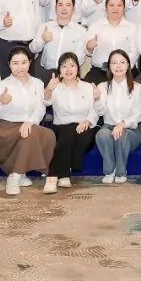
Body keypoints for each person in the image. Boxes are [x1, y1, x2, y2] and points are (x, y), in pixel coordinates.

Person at [0, 47, 56, 195]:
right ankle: (14, 176)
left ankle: (20, 173)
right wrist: (1, 102)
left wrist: (30, 121)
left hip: (28, 125)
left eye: (24, 62)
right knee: (30, 134)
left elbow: (41, 108)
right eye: (15, 63)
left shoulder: (37, 83)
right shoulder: (2, 85)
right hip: (6, 128)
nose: (20, 67)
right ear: (9, 64)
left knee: (48, 134)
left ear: (30, 62)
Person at [42, 51, 99, 192]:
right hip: (60, 129)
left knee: (75, 132)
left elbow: (95, 109)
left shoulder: (87, 87)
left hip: (84, 128)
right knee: (68, 131)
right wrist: (49, 89)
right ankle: (61, 174)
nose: (68, 69)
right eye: (64, 66)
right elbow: (46, 101)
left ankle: (54, 174)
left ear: (78, 68)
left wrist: (88, 121)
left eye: (72, 65)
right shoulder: (56, 87)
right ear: (59, 70)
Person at [93, 49, 141, 183]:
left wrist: (123, 124)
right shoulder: (103, 87)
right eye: (114, 63)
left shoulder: (137, 88)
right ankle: (110, 170)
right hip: (109, 127)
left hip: (131, 131)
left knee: (121, 134)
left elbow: (137, 115)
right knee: (102, 134)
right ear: (109, 66)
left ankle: (121, 171)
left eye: (122, 62)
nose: (118, 66)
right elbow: (100, 112)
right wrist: (97, 99)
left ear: (128, 65)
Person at [30, 0, 86, 85]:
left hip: (69, 75)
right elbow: (33, 49)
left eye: (68, 5)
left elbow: (80, 57)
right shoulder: (45, 27)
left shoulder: (81, 31)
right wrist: (42, 40)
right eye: (60, 5)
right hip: (46, 73)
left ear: (73, 9)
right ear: (55, 8)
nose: (64, 8)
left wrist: (67, 71)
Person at [84, 0, 138, 85]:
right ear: (106, 7)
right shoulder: (95, 26)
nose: (115, 8)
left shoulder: (132, 27)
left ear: (124, 8)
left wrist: (121, 67)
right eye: (111, 5)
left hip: (126, 71)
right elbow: (87, 52)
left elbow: (135, 52)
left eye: (119, 5)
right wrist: (89, 47)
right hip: (100, 71)